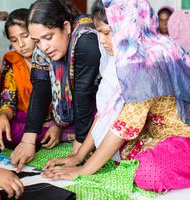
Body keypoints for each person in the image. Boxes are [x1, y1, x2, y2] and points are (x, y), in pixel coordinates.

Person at [42, 0, 190, 193]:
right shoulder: (131, 55)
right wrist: (78, 156)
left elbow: (125, 124)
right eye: (99, 32)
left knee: (147, 172)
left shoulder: (150, 61)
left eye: (107, 32)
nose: (102, 40)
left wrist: (85, 170)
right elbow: (109, 111)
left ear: (130, 26)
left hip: (182, 137)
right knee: (114, 147)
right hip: (157, 134)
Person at [10, 0, 101, 172]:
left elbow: (84, 95)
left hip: (98, 111)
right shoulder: (43, 49)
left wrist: (78, 152)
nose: (43, 47)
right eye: (37, 41)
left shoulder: (86, 40)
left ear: (66, 27)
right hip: (77, 114)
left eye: (48, 37)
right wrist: (27, 141)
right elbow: (41, 88)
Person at [0, 8, 73, 150]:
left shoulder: (53, 53)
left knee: (90, 118)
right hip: (27, 117)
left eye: (25, 36)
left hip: (59, 116)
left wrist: (57, 125)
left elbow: (67, 97)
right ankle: (61, 136)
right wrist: (3, 116)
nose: (21, 44)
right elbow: (9, 100)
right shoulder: (12, 61)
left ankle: (59, 132)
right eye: (14, 40)